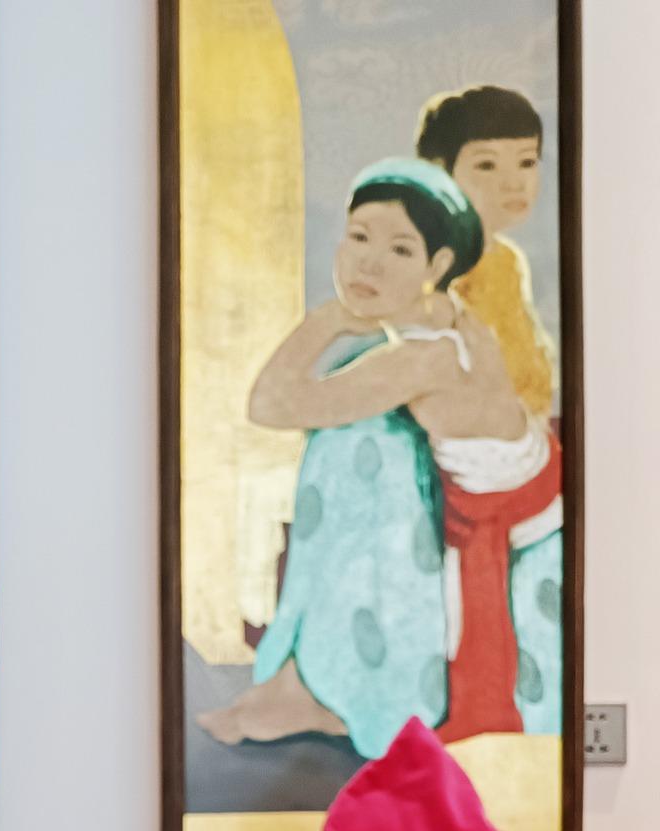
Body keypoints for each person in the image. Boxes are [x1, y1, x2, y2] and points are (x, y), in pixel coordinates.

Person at [202, 159, 559, 754]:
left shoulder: (421, 358)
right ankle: (309, 683)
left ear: (437, 266)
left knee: (351, 442)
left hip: (511, 516)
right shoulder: (443, 321)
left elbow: (270, 405)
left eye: (400, 250)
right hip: (514, 484)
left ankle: (322, 690)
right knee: (360, 439)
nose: (369, 263)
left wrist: (327, 320)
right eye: (359, 237)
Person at [418, 86, 554, 422]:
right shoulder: (435, 265)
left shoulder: (508, 260)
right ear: (440, 170)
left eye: (526, 162)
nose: (514, 183)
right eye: (487, 165)